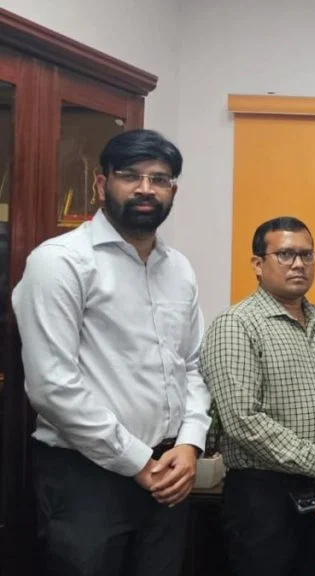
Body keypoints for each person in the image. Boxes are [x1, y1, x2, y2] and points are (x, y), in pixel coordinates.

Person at [12, 129, 209, 576]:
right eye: (130, 175)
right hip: (86, 477)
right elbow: (51, 387)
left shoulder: (178, 269)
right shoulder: (60, 262)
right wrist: (137, 461)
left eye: (159, 179)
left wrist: (190, 442)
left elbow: (193, 366)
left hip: (167, 472)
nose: (145, 188)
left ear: (172, 191)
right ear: (102, 184)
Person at [201, 217, 315, 576]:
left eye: (306, 255)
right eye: (286, 254)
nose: (298, 264)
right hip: (263, 496)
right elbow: (243, 421)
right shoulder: (236, 324)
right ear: (258, 264)